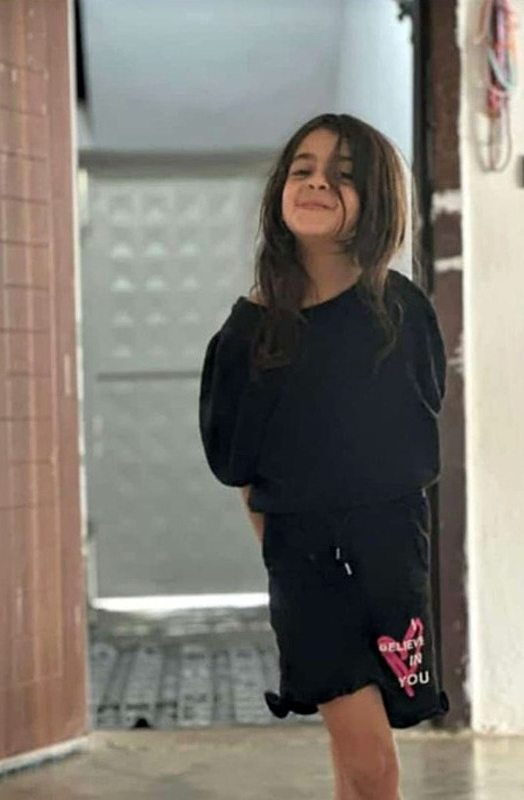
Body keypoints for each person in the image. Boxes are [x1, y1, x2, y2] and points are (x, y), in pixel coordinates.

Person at [198, 113, 449, 800]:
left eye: (341, 176)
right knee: (371, 762)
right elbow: (240, 466)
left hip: (393, 551)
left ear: (376, 199)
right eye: (302, 170)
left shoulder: (402, 311)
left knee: (354, 756)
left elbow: (419, 430)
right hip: (305, 558)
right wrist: (287, 559)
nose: (315, 184)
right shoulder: (252, 331)